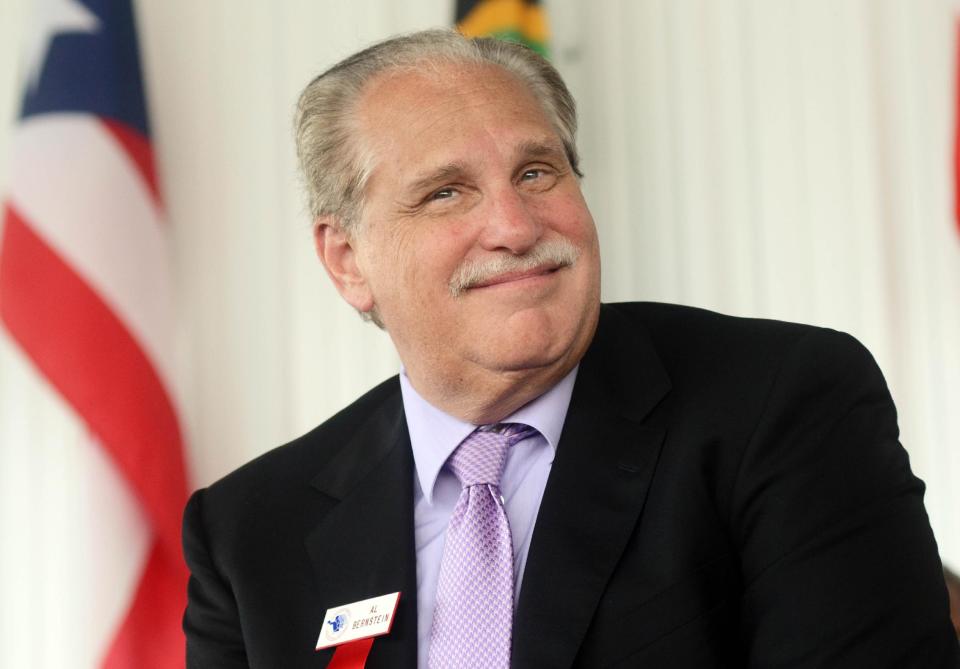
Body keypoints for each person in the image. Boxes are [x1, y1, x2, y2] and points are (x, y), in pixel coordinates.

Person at [182, 29, 960, 668]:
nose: (517, 227)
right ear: (349, 260)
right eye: (447, 191)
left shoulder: (782, 406)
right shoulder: (251, 532)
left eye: (537, 171)